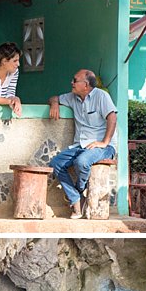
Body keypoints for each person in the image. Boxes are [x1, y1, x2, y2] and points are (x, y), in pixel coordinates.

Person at [48, 69, 117, 219]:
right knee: (55, 164)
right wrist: (54, 104)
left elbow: (112, 117)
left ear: (85, 85)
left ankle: (79, 191)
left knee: (82, 162)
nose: (71, 83)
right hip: (80, 145)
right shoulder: (73, 97)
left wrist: (104, 142)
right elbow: (54, 97)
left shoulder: (101, 96)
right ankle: (75, 197)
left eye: (74, 80)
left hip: (102, 146)